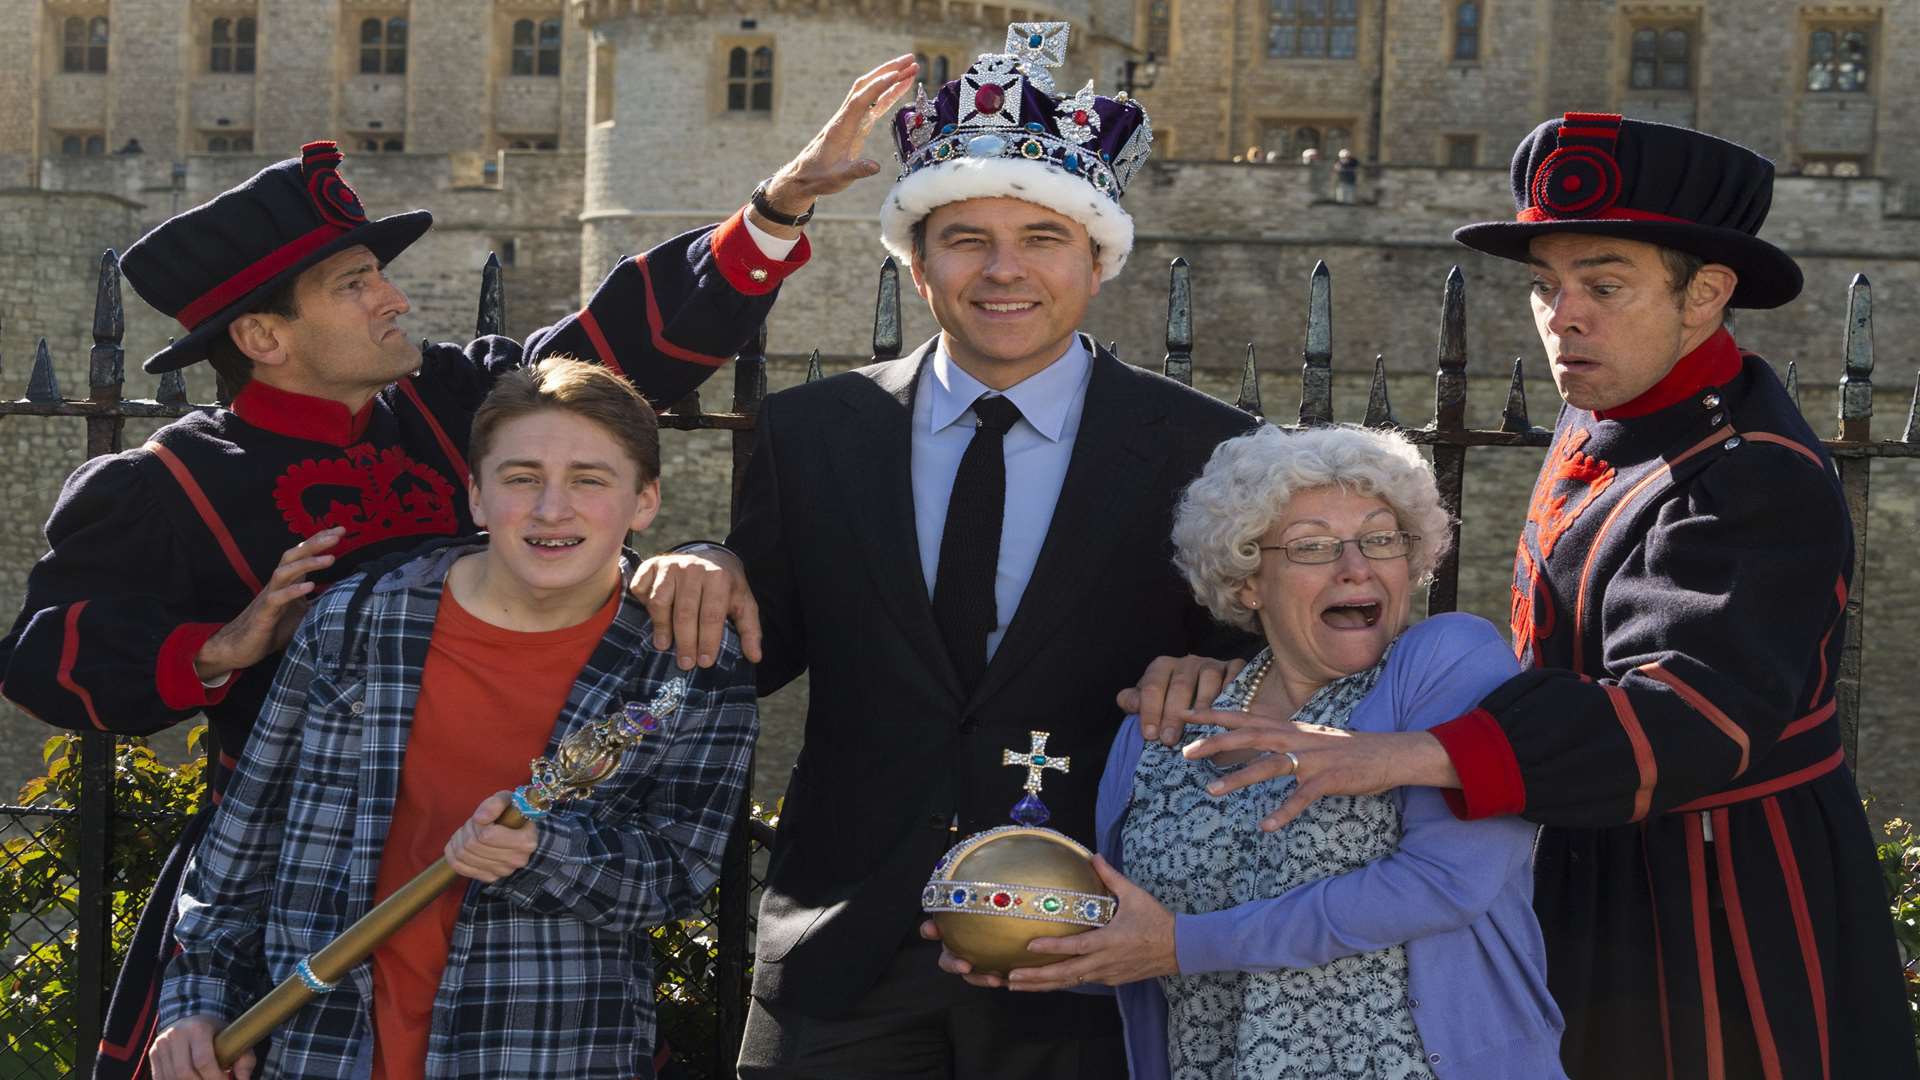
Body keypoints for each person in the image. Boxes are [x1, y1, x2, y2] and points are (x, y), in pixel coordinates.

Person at [1, 57, 916, 1080]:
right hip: (296, 893)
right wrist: (216, 648)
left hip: (531, 890)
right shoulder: (169, 481)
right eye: (356, 284)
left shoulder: (456, 394)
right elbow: (49, 656)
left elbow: (611, 363)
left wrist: (777, 206)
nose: (395, 299)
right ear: (263, 335)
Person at [1133, 114, 1919, 1079]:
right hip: (1582, 855)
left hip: (1716, 894)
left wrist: (1407, 755)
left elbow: (1691, 719)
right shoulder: (1606, 416)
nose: (1563, 315)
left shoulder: (1754, 474)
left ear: (1707, 294)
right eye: (1547, 286)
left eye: (1604, 283)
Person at [632, 23, 1261, 1077]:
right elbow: (761, 637)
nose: (1003, 271)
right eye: (966, 238)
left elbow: (1288, 665)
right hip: (845, 943)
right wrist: (702, 560)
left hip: (1093, 945)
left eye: (1043, 238)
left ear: (1097, 259)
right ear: (916, 261)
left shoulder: (1210, 447)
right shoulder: (812, 431)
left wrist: (1233, 672)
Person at [147, 357, 759, 1080]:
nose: (551, 508)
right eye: (520, 478)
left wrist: (543, 853)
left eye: (589, 480)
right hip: (322, 1047)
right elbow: (246, 832)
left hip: (544, 1051)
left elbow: (677, 874)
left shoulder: (686, 660)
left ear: (645, 502)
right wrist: (197, 997)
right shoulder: (360, 619)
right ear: (475, 495)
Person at [982, 424, 1565, 1080]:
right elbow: (1140, 947)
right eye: (1312, 546)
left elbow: (1443, 884)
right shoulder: (1165, 728)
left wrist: (1182, 946)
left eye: (1380, 539)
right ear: (1248, 579)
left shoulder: (1443, 663)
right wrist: (1021, 946)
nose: (1356, 567)